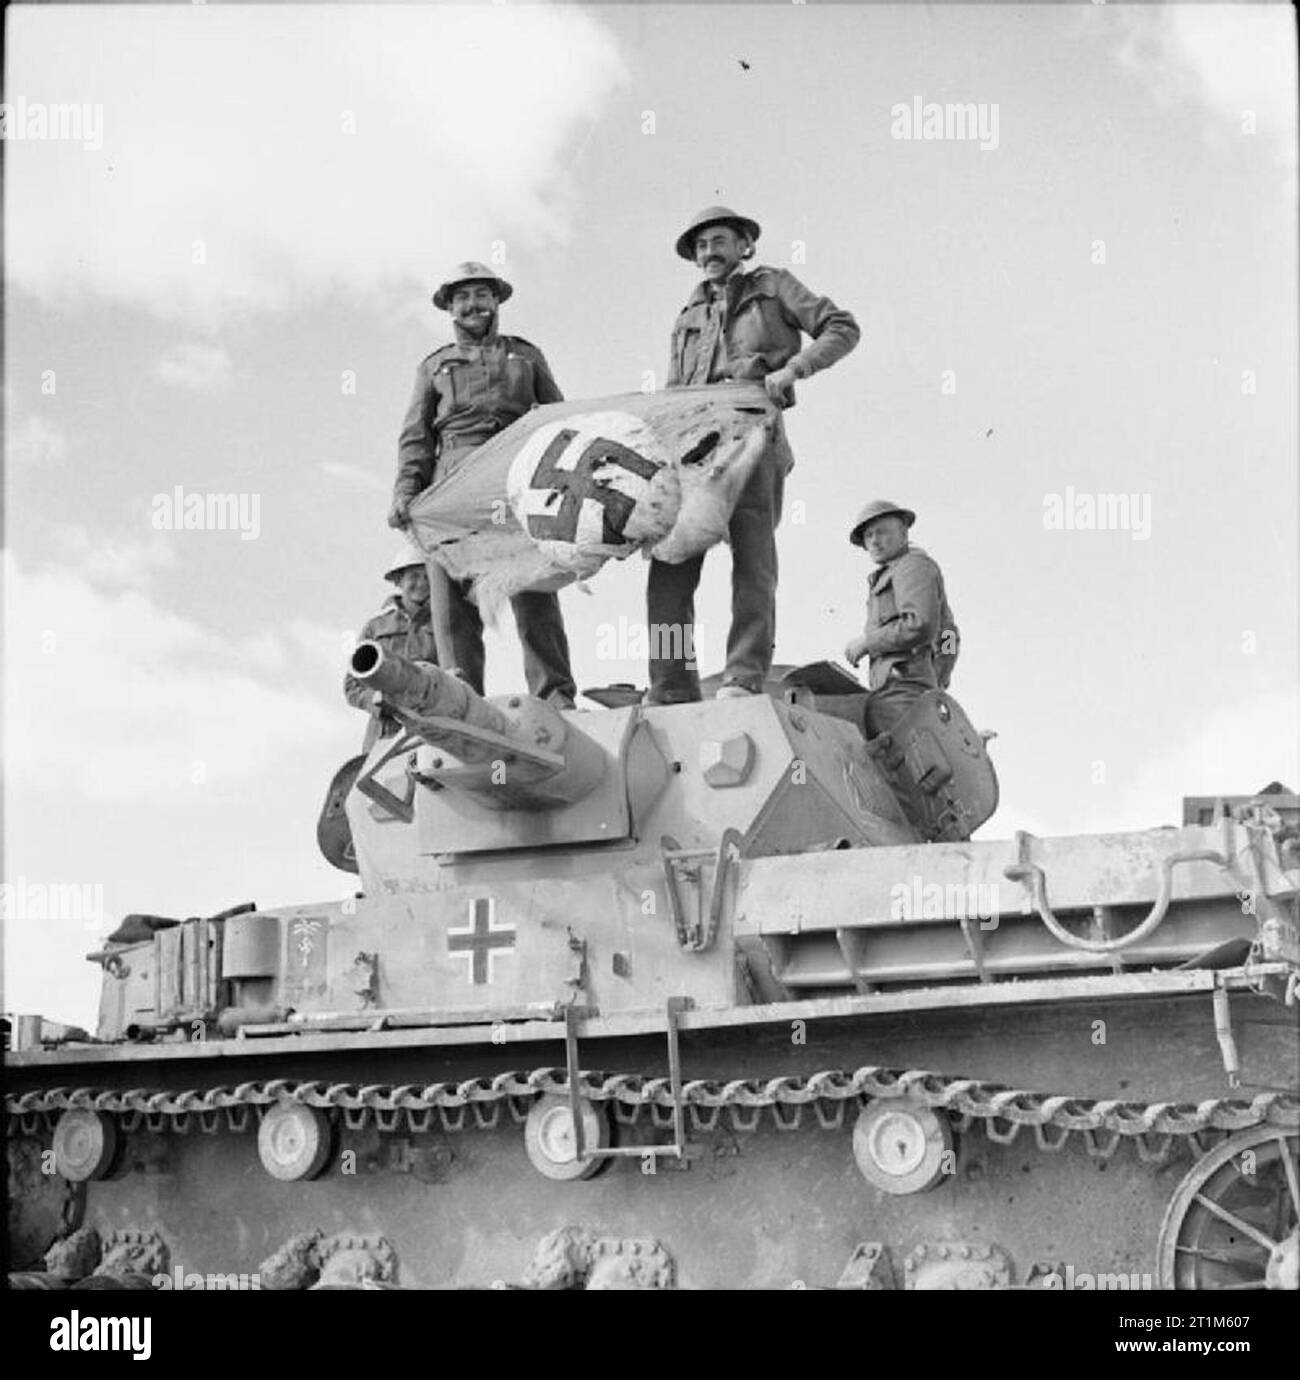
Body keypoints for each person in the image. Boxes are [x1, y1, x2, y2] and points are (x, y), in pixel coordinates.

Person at [645, 206, 860, 703]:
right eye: (700, 247)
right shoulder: (688, 316)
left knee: (753, 563)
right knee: (669, 571)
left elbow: (841, 326)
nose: (708, 253)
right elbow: (674, 388)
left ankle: (742, 676)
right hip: (693, 448)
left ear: (745, 246)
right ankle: (671, 685)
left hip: (754, 435)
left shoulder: (775, 285)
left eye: (718, 241)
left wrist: (796, 369)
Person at [388, 261, 576, 709]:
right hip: (452, 484)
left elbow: (558, 419)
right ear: (451, 309)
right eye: (463, 298)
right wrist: (404, 492)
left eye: (481, 295)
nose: (473, 305)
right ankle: (462, 700)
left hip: (516, 478)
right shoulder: (433, 367)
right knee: (452, 602)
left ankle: (555, 694)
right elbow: (417, 434)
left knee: (533, 589)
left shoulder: (526, 355)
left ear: (496, 301)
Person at [843, 500, 960, 738]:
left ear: (904, 533)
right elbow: (949, 635)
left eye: (882, 532)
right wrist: (935, 682)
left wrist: (868, 642)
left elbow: (921, 624)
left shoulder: (910, 566)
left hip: (899, 693)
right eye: (868, 535)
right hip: (906, 691)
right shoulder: (899, 571)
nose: (874, 541)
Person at [343, 540, 440, 751]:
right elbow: (352, 685)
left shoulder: (445, 625)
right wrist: (374, 701)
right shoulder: (376, 626)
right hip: (384, 737)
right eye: (414, 577)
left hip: (432, 735)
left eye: (428, 577)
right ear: (399, 580)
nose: (421, 584)